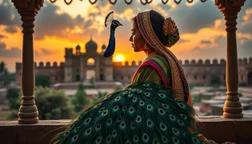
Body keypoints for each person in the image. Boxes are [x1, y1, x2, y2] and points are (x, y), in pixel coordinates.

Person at [51, 10, 230, 144]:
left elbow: (141, 113)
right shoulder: (165, 59)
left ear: (146, 36)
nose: (130, 38)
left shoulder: (152, 65)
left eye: (133, 32)